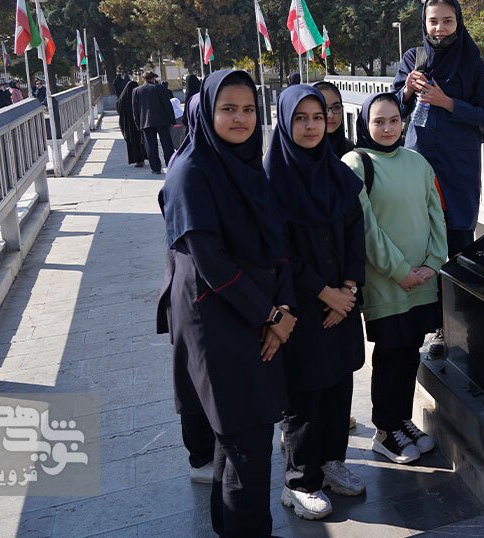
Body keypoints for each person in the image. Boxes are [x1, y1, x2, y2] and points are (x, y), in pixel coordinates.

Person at [158, 69, 297, 537]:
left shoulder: (247, 165)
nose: (240, 119)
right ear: (207, 113)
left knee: (239, 437)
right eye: (228, 109)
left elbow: (276, 241)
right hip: (216, 319)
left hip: (258, 311)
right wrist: (270, 315)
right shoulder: (191, 172)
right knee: (246, 442)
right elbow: (211, 263)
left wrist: (284, 308)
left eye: (249, 109)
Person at [265, 85, 366, 521]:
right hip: (303, 307)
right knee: (304, 394)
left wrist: (349, 288)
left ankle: (331, 462)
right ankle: (300, 481)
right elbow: (280, 252)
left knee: (339, 384)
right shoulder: (272, 181)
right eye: (300, 118)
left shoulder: (336, 172)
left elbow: (355, 231)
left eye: (318, 117)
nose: (311, 126)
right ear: (285, 122)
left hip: (341, 303)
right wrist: (326, 293)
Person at [342, 93, 447, 465]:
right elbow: (365, 227)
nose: (387, 128)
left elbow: (436, 215)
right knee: (389, 353)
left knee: (409, 351)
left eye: (393, 120)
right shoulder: (356, 163)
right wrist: (401, 271)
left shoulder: (418, 162)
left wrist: (433, 263)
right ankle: (385, 431)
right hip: (386, 281)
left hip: (423, 280)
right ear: (365, 124)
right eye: (378, 121)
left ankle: (402, 421)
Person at [393, 0, 484, 358]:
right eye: (433, 21)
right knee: (421, 245)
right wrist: (407, 90)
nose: (440, 28)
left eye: (447, 21)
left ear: (458, 23)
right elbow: (391, 110)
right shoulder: (413, 59)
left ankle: (459, 329)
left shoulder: (471, 63)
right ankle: (433, 324)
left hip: (457, 170)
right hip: (419, 169)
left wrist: (447, 103)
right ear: (424, 23)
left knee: (457, 244)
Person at [132, 71, 176, 174]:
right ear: (153, 78)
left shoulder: (136, 91)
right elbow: (167, 105)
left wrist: (138, 124)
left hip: (146, 122)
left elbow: (135, 110)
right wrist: (172, 120)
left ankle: (155, 168)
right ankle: (170, 165)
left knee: (151, 146)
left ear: (143, 79)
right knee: (167, 144)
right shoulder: (160, 88)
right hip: (162, 121)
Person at [313, 81, 354, 158]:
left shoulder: (352, 153)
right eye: (323, 108)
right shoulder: (300, 153)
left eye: (336, 107)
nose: (330, 115)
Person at [116, 79, 145, 167]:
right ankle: (143, 157)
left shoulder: (122, 98)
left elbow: (118, 109)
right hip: (139, 123)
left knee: (132, 142)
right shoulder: (138, 96)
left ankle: (137, 160)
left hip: (127, 125)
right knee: (142, 141)